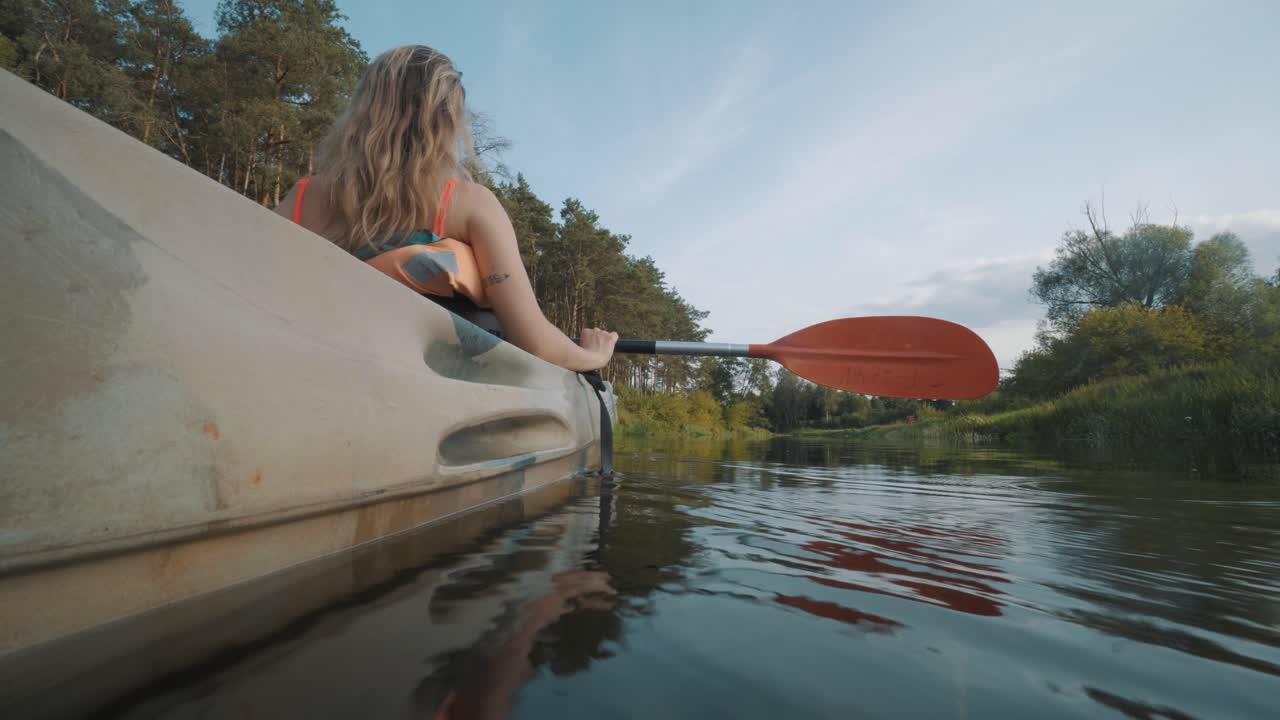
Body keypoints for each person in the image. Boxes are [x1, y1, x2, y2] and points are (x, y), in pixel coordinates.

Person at [274, 44, 617, 372]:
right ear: (447, 119)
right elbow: (536, 344)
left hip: (315, 366)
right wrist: (595, 355)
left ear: (364, 108)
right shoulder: (469, 203)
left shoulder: (301, 197)